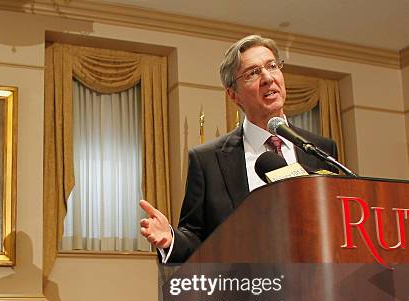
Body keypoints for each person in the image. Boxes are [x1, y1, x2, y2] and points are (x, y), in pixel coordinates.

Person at [140, 35, 338, 263]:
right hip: (243, 291)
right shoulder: (207, 160)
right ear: (233, 95)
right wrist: (171, 239)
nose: (267, 77)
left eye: (272, 66)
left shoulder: (321, 150)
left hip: (313, 290)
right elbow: (196, 235)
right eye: (252, 73)